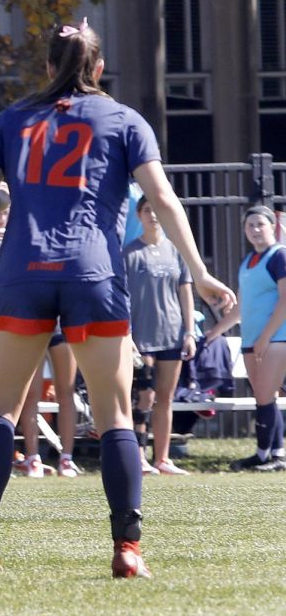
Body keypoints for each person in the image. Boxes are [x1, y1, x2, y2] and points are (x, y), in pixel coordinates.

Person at [0, 18, 234, 581]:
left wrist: (20, 192)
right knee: (113, 416)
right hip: (95, 275)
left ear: (46, 67)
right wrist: (200, 274)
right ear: (99, 69)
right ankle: (127, 547)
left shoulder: (11, 120)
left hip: (22, 274)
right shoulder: (125, 120)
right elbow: (163, 198)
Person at [204, 205, 286, 472]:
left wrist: (265, 337)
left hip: (275, 338)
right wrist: (215, 332)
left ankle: (268, 455)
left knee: (264, 396)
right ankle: (273, 453)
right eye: (249, 226)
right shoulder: (249, 261)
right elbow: (240, 307)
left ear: (272, 226)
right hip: (252, 339)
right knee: (265, 397)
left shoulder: (279, 256)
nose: (255, 230)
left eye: (260, 224)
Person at [124, 195, 195, 476]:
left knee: (165, 397)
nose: (153, 216)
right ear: (139, 215)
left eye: (157, 211)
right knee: (144, 397)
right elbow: (121, 296)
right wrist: (126, 333)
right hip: (142, 337)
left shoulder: (177, 251)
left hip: (172, 333)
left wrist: (189, 331)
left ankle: (162, 458)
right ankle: (138, 456)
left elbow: (185, 291)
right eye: (147, 210)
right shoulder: (129, 252)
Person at [13, 330, 83, 478]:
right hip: (36, 328)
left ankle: (65, 459)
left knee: (66, 393)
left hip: (59, 329)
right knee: (32, 396)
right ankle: (34, 459)